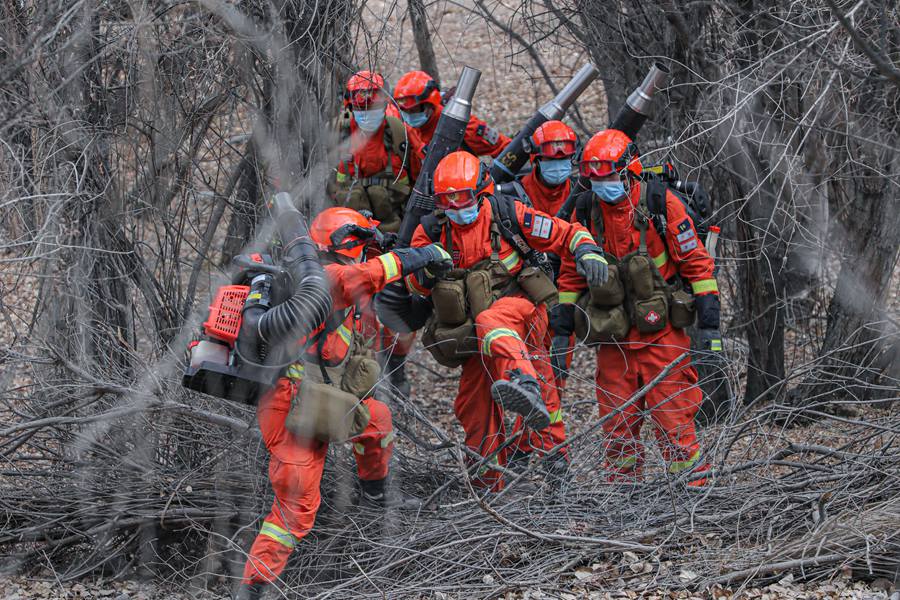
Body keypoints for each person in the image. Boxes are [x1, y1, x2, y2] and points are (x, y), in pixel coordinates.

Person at [237, 207, 451, 599]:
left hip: (321, 396)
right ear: (349, 246)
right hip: (289, 409)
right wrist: (423, 254)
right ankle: (253, 587)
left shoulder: (327, 278)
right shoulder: (328, 279)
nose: (368, 253)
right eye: (363, 246)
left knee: (377, 421)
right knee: (296, 507)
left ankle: (375, 496)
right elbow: (370, 274)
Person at [405, 150, 606, 490]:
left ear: (480, 191)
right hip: (476, 335)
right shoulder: (431, 231)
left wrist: (587, 250)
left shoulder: (508, 214)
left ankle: (551, 459)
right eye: (446, 200)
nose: (455, 207)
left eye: (462, 197)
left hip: (523, 313)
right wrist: (426, 271)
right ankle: (488, 489)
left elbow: (566, 233)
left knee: (499, 327)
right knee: (474, 408)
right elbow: (413, 286)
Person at [556, 128, 722, 485]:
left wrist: (710, 325)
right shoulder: (584, 212)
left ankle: (695, 493)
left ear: (629, 171)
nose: (603, 185)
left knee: (675, 421)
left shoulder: (661, 204)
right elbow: (569, 274)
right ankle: (624, 500)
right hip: (614, 338)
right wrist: (561, 330)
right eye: (595, 179)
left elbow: (697, 264)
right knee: (617, 428)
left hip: (662, 337)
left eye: (609, 177)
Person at [329, 70, 425, 233]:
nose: (367, 115)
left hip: (393, 225)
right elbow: (322, 179)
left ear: (385, 106)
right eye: (361, 109)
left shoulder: (398, 131)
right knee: (353, 196)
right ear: (350, 107)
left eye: (373, 109)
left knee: (377, 194)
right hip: (348, 227)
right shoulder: (337, 131)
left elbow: (417, 178)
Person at [393, 70, 511, 158]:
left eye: (413, 110)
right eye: (405, 111)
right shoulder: (408, 131)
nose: (409, 116)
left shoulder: (459, 126)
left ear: (429, 105)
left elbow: (506, 148)